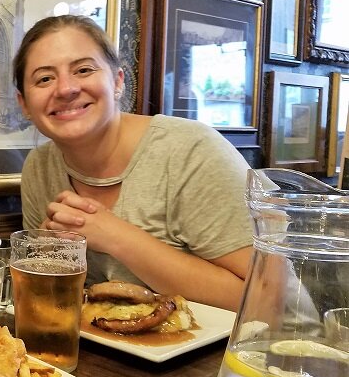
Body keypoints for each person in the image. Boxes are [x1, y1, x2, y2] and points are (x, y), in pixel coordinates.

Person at [14, 15, 252, 311]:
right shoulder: (40, 167)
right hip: (116, 352)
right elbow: (51, 299)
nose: (65, 89)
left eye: (83, 69)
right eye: (45, 78)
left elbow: (266, 299)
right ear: (24, 104)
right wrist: (48, 251)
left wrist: (115, 236)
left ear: (117, 81)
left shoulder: (191, 152)